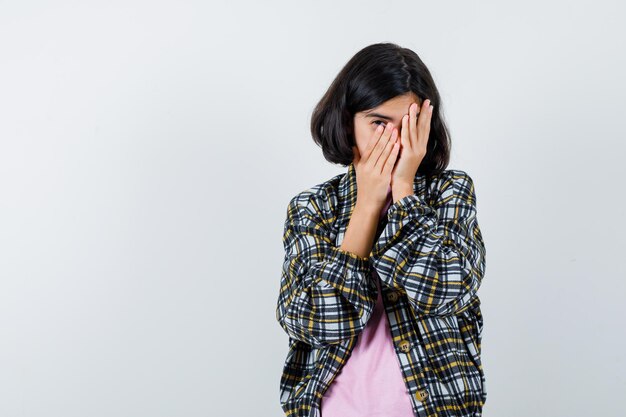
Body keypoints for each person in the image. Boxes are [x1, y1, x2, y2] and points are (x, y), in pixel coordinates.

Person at [275, 42, 487, 417]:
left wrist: (403, 189)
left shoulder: (449, 192)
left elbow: (448, 290)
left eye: (407, 123)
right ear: (347, 123)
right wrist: (367, 206)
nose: (393, 138)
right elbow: (310, 321)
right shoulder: (313, 207)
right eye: (377, 123)